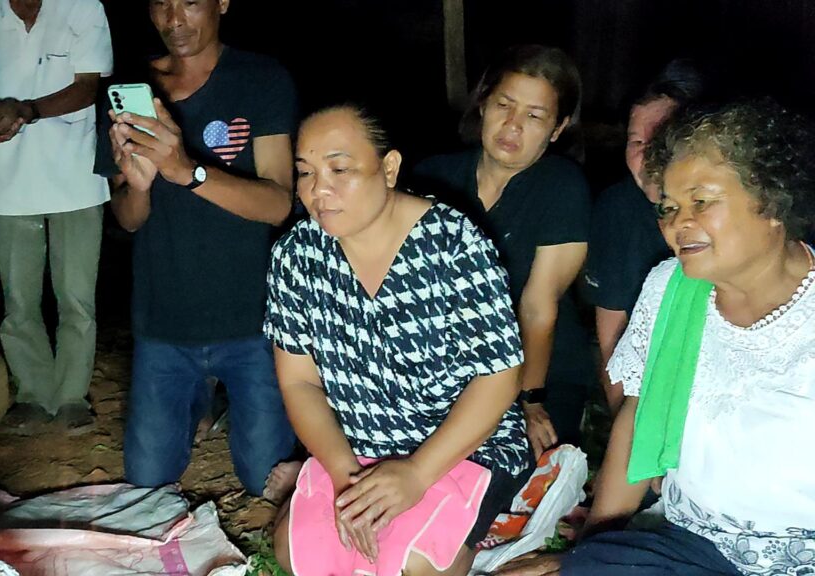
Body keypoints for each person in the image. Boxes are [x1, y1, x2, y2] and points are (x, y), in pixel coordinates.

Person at [496, 98, 815, 576]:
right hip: (692, 546)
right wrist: (592, 552)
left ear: (771, 200)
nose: (678, 223)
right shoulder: (671, 289)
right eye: (669, 207)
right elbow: (639, 416)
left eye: (701, 201)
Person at [266, 104, 531, 576]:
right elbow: (299, 382)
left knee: (414, 563)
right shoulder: (296, 255)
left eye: (340, 169)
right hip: (353, 446)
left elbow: (499, 377)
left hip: (460, 447)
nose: (318, 190)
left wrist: (417, 473)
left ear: (388, 168)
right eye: (305, 172)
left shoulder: (453, 245)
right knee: (299, 554)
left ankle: (484, 538)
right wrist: (348, 478)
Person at [102, 0, 297, 498]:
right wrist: (140, 186)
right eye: (161, 4)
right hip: (164, 321)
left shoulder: (261, 78)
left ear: (222, 2)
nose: (174, 19)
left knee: (266, 482)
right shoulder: (131, 90)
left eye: (189, 1)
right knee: (147, 485)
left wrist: (187, 172)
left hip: (251, 319)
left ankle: (221, 398)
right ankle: (200, 398)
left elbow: (278, 203)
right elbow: (126, 217)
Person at [412, 45, 593, 458]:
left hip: (539, 369)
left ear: (558, 128)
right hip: (446, 367)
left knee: (516, 468)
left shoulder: (562, 185)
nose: (513, 125)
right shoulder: (432, 177)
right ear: (483, 104)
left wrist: (530, 400)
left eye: (534, 116)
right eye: (504, 105)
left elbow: (537, 307)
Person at [0, 0, 113, 429]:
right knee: (19, 300)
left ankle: (72, 396)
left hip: (75, 175)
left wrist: (27, 111)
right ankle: (33, 394)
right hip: (6, 178)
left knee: (76, 298)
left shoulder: (82, 7)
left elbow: (88, 86)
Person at [584, 61, 705, 414]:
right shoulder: (617, 209)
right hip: (651, 390)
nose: (647, 155)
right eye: (636, 141)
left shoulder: (732, 217)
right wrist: (628, 433)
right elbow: (612, 338)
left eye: (661, 141)